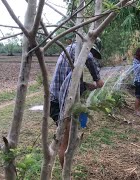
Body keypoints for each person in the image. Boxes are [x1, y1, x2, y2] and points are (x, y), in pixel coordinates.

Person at [49, 37, 104, 167]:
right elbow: (89, 58)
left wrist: (86, 85)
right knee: (66, 140)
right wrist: (98, 79)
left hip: (56, 100)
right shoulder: (79, 49)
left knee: (70, 131)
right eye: (92, 51)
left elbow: (69, 80)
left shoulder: (69, 51)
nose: (92, 54)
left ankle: (79, 128)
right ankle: (65, 172)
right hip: (61, 103)